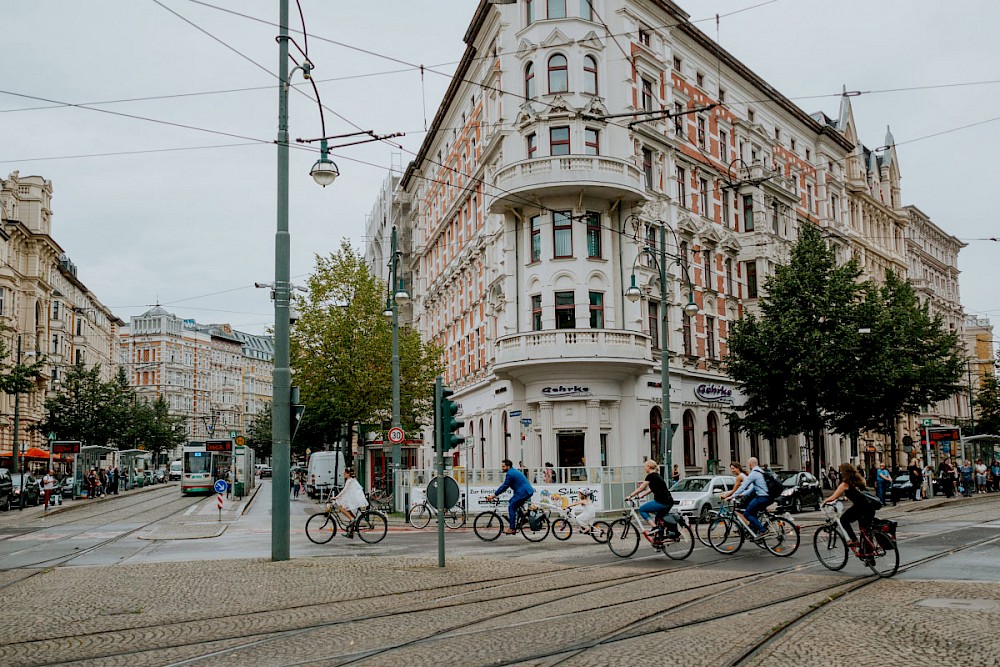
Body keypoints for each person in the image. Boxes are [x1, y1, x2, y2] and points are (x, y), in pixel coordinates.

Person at [824, 462, 877, 548]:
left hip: (860, 507)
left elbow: (833, 497)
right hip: (870, 507)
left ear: (844, 472)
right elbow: (859, 493)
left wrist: (824, 502)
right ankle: (869, 555)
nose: (840, 473)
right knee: (865, 531)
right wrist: (846, 497)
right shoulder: (859, 479)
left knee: (843, 520)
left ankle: (854, 540)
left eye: (841, 471)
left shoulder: (845, 483)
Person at [487, 459, 535, 535]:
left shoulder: (510, 474)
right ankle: (524, 519)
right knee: (512, 502)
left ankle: (512, 528)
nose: (502, 468)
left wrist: (494, 495)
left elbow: (504, 486)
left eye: (503, 466)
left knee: (511, 507)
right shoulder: (512, 471)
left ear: (508, 466)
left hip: (523, 492)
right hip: (524, 491)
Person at [625, 460, 674, 534]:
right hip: (669, 502)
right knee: (658, 519)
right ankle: (660, 538)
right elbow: (652, 489)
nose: (644, 468)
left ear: (649, 467)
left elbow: (641, 488)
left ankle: (655, 527)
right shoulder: (657, 476)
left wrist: (630, 496)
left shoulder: (650, 476)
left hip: (661, 501)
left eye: (645, 466)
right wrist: (643, 495)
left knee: (642, 509)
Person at [731, 457, 770, 538]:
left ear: (750, 464)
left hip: (762, 497)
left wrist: (733, 496)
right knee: (752, 512)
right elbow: (753, 488)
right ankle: (755, 530)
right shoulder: (761, 471)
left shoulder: (754, 473)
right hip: (767, 497)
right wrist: (743, 494)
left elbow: (743, 486)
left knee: (747, 513)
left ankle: (762, 530)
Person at [331, 468, 368, 538]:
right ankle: (351, 533)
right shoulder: (352, 480)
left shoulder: (349, 481)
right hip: (356, 499)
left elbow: (344, 491)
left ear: (348, 474)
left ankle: (351, 519)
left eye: (345, 473)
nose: (344, 474)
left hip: (355, 500)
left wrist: (336, 497)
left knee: (341, 506)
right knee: (349, 511)